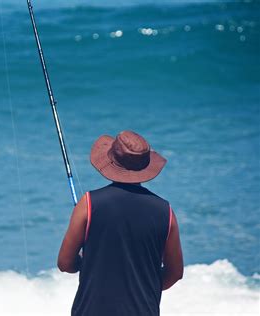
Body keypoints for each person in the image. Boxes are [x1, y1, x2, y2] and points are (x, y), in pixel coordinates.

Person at [58, 130, 183, 316]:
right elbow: (175, 273)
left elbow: (65, 263)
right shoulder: (166, 212)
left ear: (111, 161)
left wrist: (85, 262)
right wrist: (145, 287)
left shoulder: (89, 203)